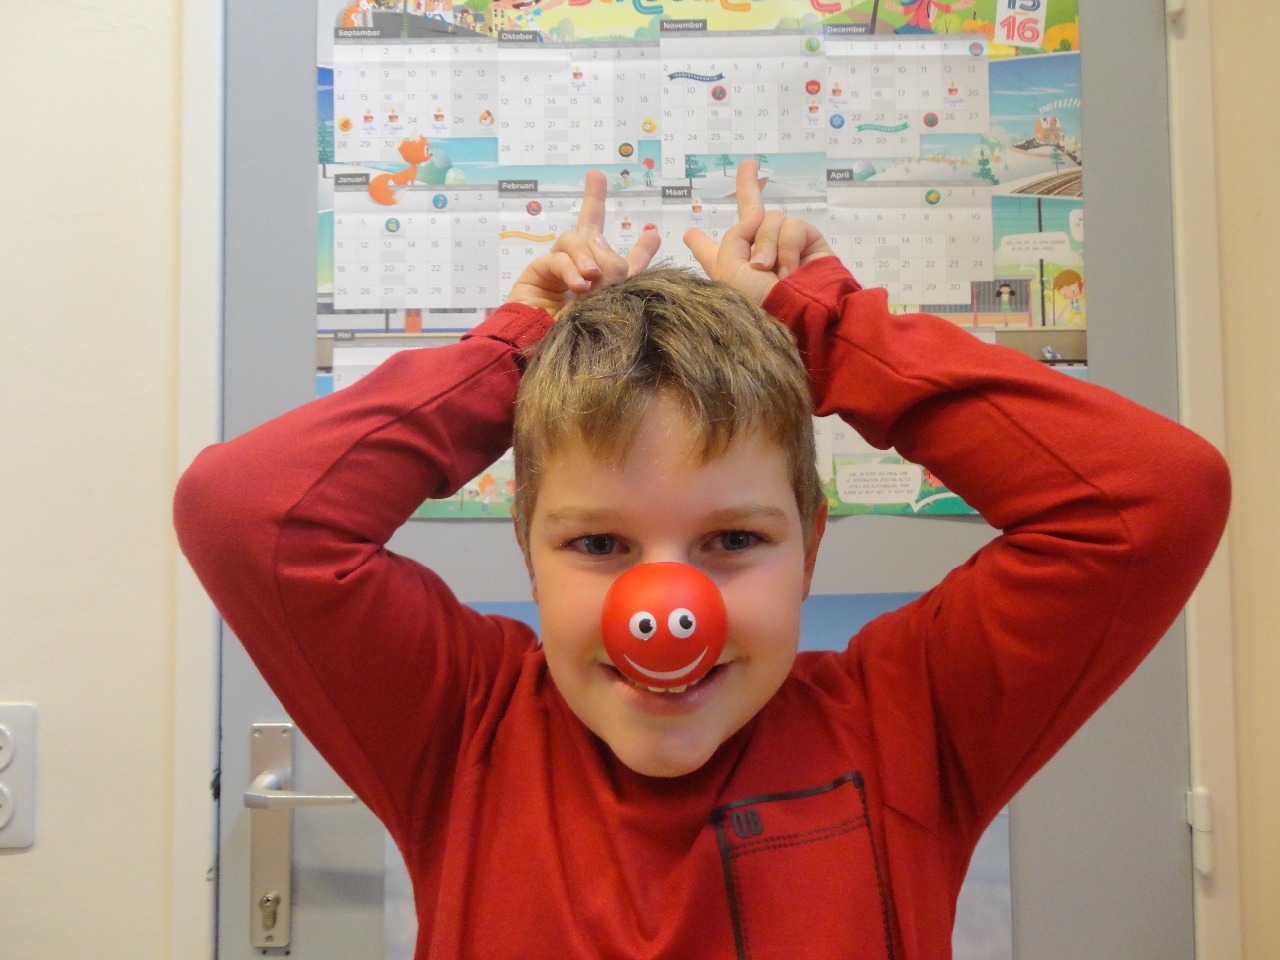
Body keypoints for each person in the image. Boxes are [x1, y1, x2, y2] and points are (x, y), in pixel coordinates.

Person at [174, 161, 1229, 959]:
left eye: (733, 540)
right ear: (528, 551)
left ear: (810, 547)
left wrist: (826, 328)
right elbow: (246, 511)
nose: (666, 610)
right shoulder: (461, 729)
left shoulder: (908, 723)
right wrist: (515, 348)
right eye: (598, 544)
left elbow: (1152, 497)